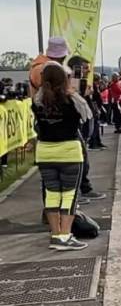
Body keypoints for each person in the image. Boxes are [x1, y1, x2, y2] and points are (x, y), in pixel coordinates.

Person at [31, 63, 92, 250]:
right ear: (64, 79)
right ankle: (65, 235)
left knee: (51, 195)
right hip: (69, 151)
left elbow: (36, 125)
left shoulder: (38, 100)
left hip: (45, 152)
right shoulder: (73, 99)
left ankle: (55, 233)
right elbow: (87, 118)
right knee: (69, 196)